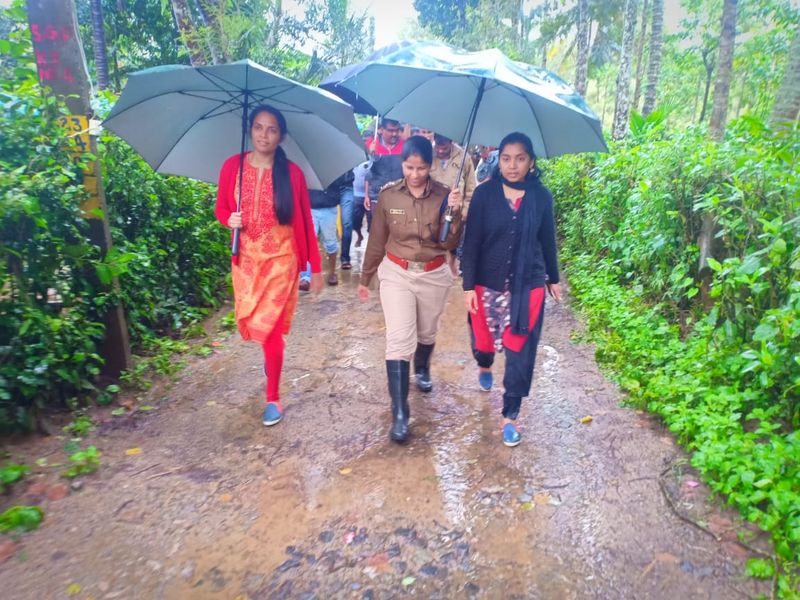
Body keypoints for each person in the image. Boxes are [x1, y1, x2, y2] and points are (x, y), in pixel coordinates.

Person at [215, 104, 322, 427]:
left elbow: (304, 219)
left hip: (282, 262)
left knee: (273, 331)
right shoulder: (232, 166)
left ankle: (273, 397)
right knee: (260, 332)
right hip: (246, 262)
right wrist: (227, 219)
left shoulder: (293, 175)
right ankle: (271, 361)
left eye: (272, 129)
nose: (264, 134)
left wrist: (314, 268)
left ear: (282, 136)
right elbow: (221, 207)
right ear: (250, 129)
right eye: (259, 127)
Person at [358, 136, 464, 443]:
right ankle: (401, 412)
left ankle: (422, 366)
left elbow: (449, 244)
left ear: (431, 166)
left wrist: (455, 215)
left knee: (426, 333)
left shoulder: (445, 195)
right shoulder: (389, 196)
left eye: (421, 167)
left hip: (433, 274)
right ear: (402, 164)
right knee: (398, 339)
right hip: (396, 273)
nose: (415, 174)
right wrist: (365, 278)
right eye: (409, 167)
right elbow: (377, 239)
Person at [460, 132, 562, 448]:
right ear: (498, 159)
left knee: (520, 351)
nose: (512, 165)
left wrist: (553, 279)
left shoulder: (541, 197)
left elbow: (547, 241)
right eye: (506, 158)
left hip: (526, 286)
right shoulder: (484, 194)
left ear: (531, 162)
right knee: (483, 341)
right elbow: (472, 242)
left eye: (520, 158)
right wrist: (467, 286)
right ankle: (484, 362)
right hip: (485, 284)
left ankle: (510, 416)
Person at [364, 118, 404, 231]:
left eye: (397, 130)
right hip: (377, 197)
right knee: (377, 232)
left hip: (399, 197)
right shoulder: (371, 145)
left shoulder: (405, 146)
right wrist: (366, 195)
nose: (395, 134)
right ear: (381, 130)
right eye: (391, 130)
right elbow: (367, 173)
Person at [299, 186, 340, 289]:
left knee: (330, 242)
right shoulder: (307, 171)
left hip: (329, 206)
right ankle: (305, 277)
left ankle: (332, 272)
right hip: (310, 206)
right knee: (308, 243)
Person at [352, 158, 372, 247]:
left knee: (372, 223)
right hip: (356, 196)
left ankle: (371, 243)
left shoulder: (370, 163)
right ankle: (360, 236)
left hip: (370, 197)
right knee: (355, 222)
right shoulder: (350, 164)